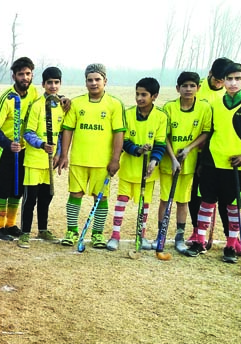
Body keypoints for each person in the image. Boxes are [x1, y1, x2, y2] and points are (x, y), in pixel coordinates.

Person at [184, 63, 241, 262]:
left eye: (237, 78)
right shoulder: (215, 105)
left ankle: (231, 245)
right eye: (229, 79)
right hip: (212, 163)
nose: (233, 82)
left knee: (233, 206)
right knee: (206, 203)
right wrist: (202, 162)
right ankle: (199, 241)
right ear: (223, 81)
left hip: (236, 166)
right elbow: (209, 134)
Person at [57, 63, 126, 248]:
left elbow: (119, 133)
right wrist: (64, 155)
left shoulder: (114, 104)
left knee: (101, 197)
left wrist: (115, 159)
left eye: (97, 79)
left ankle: (97, 234)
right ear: (85, 82)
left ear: (105, 81)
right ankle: (71, 231)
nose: (93, 83)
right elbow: (68, 129)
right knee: (75, 194)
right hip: (80, 159)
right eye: (90, 80)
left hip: (102, 163)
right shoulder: (76, 103)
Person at [106, 77, 167, 251]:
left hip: (147, 173)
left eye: (144, 95)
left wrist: (154, 161)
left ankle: (141, 236)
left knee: (144, 204)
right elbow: (122, 140)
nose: (139, 98)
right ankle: (115, 235)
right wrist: (137, 150)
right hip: (128, 168)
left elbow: (161, 143)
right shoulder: (127, 114)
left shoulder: (161, 117)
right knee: (121, 201)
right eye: (137, 94)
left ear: (154, 96)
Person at [160, 72, 211, 254]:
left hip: (189, 164)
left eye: (192, 85)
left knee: (183, 201)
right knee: (165, 199)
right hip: (169, 162)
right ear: (177, 88)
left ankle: (179, 237)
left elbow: (205, 132)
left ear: (197, 88)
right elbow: (163, 136)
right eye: (184, 86)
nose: (188, 89)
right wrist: (173, 158)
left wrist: (189, 148)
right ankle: (161, 235)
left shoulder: (204, 108)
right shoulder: (169, 107)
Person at [0, 57, 39, 241]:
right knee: (3, 189)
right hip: (7, 152)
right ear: (14, 76)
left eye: (28, 74)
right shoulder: (7, 98)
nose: (25, 78)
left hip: (24, 151)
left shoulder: (34, 93)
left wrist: (61, 99)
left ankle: (10, 224)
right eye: (21, 74)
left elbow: (44, 105)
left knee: (17, 190)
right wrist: (8, 144)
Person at [188, 57, 234, 246]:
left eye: (223, 80)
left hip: (220, 151)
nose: (220, 83)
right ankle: (196, 230)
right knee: (197, 193)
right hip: (199, 150)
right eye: (216, 79)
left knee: (226, 197)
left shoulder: (230, 91)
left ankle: (231, 237)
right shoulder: (198, 89)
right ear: (209, 74)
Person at [17, 66, 63, 248]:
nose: (53, 86)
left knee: (46, 197)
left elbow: (60, 134)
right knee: (30, 199)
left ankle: (43, 229)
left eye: (56, 82)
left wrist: (58, 153)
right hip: (34, 162)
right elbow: (27, 133)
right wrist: (42, 145)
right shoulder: (36, 106)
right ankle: (25, 233)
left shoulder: (61, 106)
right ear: (43, 84)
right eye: (49, 82)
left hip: (49, 163)